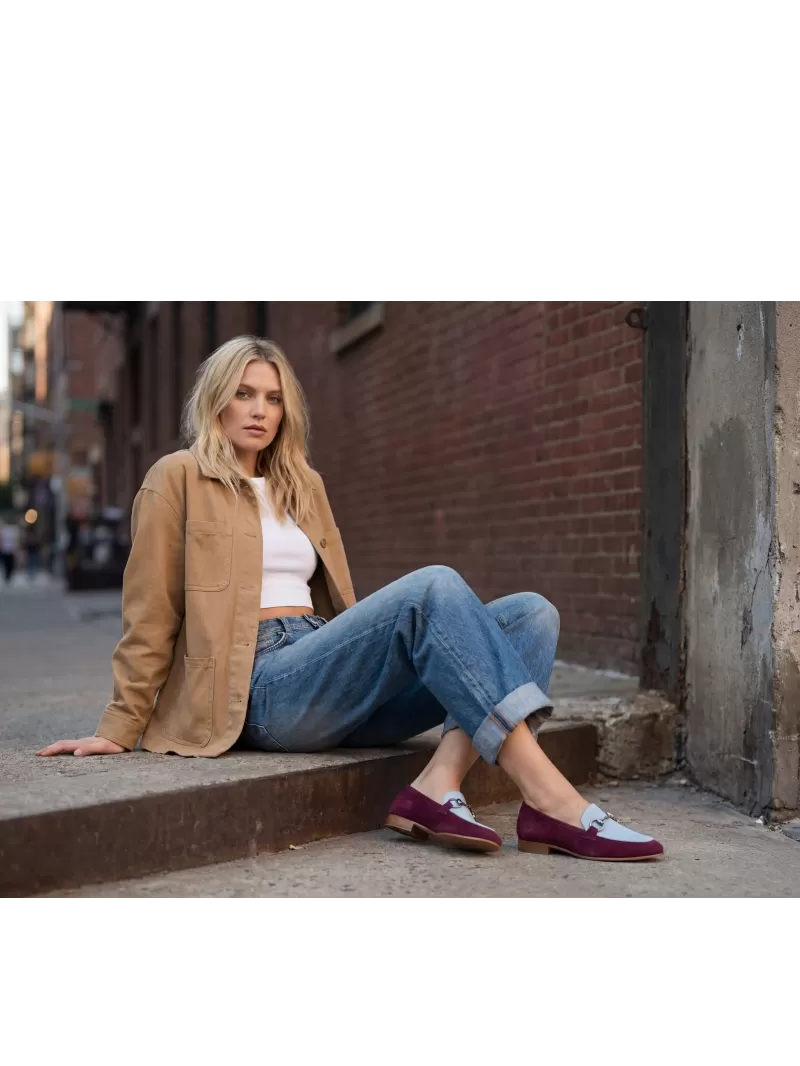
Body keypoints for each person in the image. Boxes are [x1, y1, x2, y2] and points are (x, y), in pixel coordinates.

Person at [38, 337, 663, 863]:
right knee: (434, 586)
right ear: (216, 400)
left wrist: (364, 663)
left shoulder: (303, 484)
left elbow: (341, 604)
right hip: (257, 685)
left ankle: (438, 784)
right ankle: (553, 803)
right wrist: (120, 725)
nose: (259, 410)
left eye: (274, 398)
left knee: (532, 614)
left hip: (320, 662)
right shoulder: (176, 477)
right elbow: (149, 610)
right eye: (245, 393)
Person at [1, 520, 20, 585]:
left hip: (11, 550)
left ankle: (9, 575)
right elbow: (2, 539)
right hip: (5, 550)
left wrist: (16, 548)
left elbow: (16, 540)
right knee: (6, 564)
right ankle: (7, 576)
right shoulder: (4, 530)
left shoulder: (14, 530)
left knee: (10, 564)